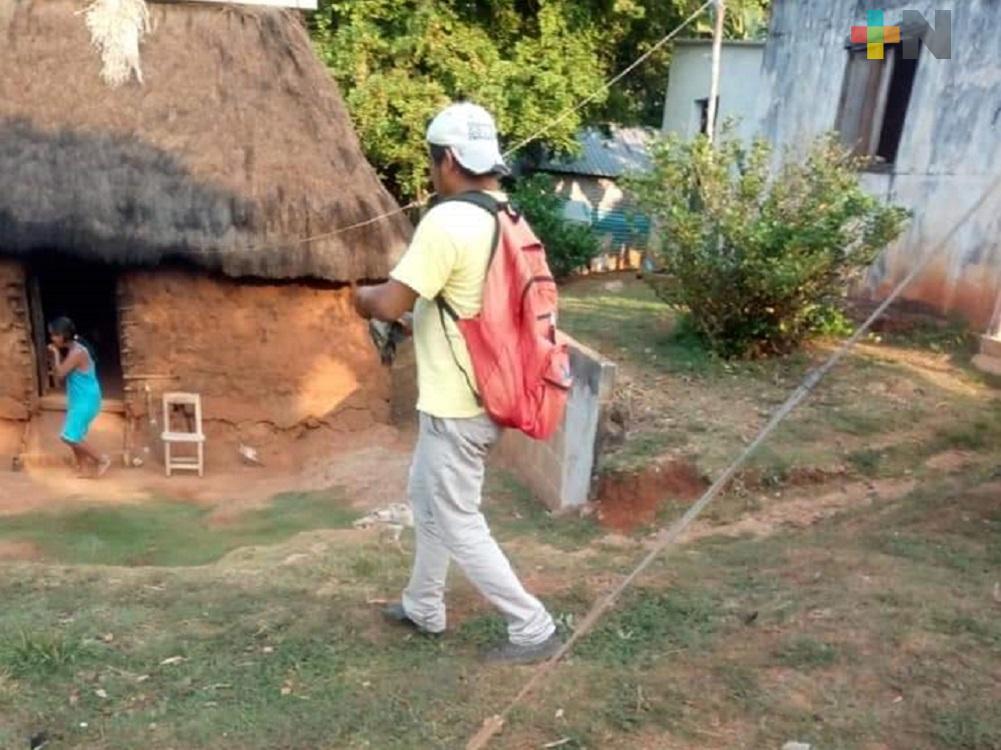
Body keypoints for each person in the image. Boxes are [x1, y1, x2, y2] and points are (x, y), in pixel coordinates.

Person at [354, 102, 562, 664]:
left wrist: (360, 298)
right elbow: (456, 300)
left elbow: (392, 299)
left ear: (446, 159)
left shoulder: (447, 220)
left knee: (459, 520)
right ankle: (423, 606)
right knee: (427, 498)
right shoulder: (507, 214)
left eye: (430, 160)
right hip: (482, 394)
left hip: (459, 406)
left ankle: (533, 627)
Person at [48, 317, 110, 478]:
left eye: (54, 335)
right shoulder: (74, 350)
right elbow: (59, 376)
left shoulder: (77, 353)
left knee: (68, 436)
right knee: (76, 434)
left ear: (63, 335)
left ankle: (101, 459)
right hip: (80, 400)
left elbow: (60, 374)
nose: (52, 339)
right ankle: (83, 468)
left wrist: (55, 353)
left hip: (86, 400)